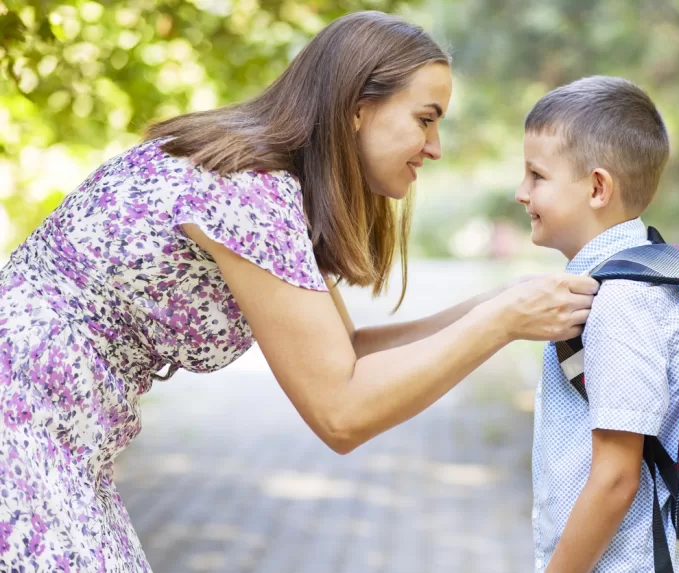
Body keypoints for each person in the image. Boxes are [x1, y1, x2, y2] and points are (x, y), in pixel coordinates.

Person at [0, 10, 598, 571]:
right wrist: (502, 323)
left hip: (66, 439)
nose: (436, 147)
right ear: (357, 107)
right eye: (425, 118)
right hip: (22, 422)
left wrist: (499, 302)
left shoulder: (274, 188)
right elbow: (341, 413)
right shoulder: (250, 190)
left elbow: (350, 352)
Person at [517, 76, 679, 572]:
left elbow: (615, 479)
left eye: (536, 175)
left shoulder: (623, 300)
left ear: (597, 187)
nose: (522, 193)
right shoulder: (624, 282)